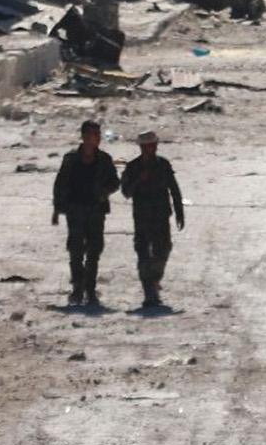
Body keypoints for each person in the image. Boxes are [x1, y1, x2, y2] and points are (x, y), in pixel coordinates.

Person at [52, 119, 120, 307]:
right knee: (75, 251)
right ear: (83, 137)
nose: (94, 139)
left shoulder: (104, 159)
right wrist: (57, 209)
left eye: (97, 135)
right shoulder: (71, 158)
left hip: (96, 211)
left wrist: (103, 192)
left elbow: (115, 182)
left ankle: (90, 290)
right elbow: (60, 184)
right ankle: (77, 288)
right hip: (75, 210)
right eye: (91, 135)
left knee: (94, 251)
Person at [120, 129, 184, 308]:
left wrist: (179, 211)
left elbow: (174, 188)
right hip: (142, 217)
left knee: (163, 250)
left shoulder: (163, 164)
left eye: (153, 145)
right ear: (141, 147)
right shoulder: (132, 167)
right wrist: (138, 180)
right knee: (143, 254)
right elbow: (126, 192)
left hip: (161, 215)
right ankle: (150, 291)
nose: (151, 149)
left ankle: (155, 281)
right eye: (147, 146)